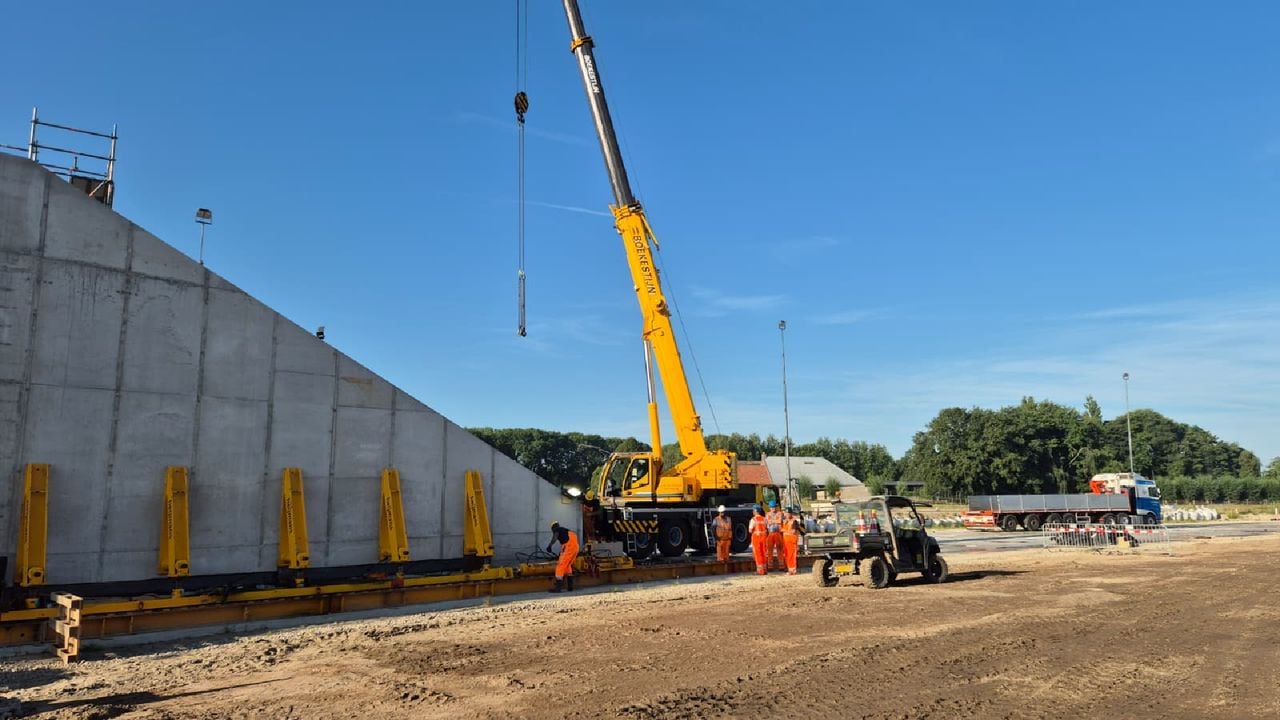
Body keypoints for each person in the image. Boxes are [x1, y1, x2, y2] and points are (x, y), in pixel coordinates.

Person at [546, 521, 579, 593]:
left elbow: (555, 537)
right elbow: (567, 541)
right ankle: (570, 587)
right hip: (575, 548)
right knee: (567, 566)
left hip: (569, 548)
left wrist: (549, 546)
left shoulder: (557, 529)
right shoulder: (565, 530)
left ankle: (558, 588)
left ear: (553, 528)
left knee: (560, 566)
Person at [781, 506, 806, 575]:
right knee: (787, 556)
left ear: (791, 514)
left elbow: (794, 531)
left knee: (791, 556)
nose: (787, 514)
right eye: (786, 513)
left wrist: (784, 530)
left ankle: (793, 570)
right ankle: (790, 569)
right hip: (786, 542)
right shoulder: (785, 521)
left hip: (792, 542)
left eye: (788, 513)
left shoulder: (794, 521)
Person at [747, 504, 769, 575]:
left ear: (755, 511)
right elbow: (767, 529)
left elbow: (750, 530)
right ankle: (765, 569)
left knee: (758, 553)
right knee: (764, 553)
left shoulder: (753, 519)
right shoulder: (764, 519)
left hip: (756, 538)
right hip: (764, 537)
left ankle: (760, 570)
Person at [765, 501, 784, 571]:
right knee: (769, 550)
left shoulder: (780, 513)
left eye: (774, 507)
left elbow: (779, 521)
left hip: (778, 533)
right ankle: (770, 566)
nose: (773, 508)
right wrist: (775, 521)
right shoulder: (767, 514)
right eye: (772, 507)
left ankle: (781, 566)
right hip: (770, 533)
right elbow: (768, 522)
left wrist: (772, 521)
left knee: (780, 549)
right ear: (769, 508)